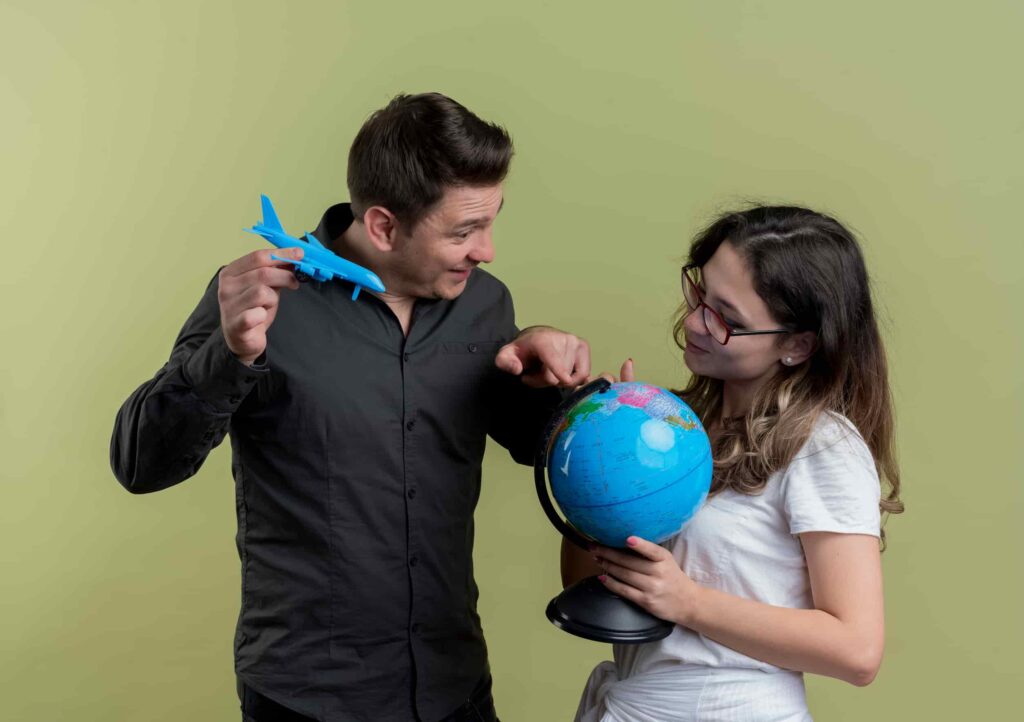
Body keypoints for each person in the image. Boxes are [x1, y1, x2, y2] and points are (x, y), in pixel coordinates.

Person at [110, 92, 591, 722]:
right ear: (384, 225)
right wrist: (228, 354)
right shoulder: (260, 301)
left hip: (455, 686)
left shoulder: (485, 304)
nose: (487, 250)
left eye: (492, 221)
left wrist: (555, 387)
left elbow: (535, 446)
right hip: (310, 696)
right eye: (465, 230)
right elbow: (141, 465)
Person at [563, 205, 904, 721]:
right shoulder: (682, 426)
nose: (696, 322)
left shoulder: (823, 447)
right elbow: (581, 584)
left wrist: (689, 601)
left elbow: (857, 651)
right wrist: (603, 458)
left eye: (728, 318)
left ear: (796, 345)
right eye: (700, 294)